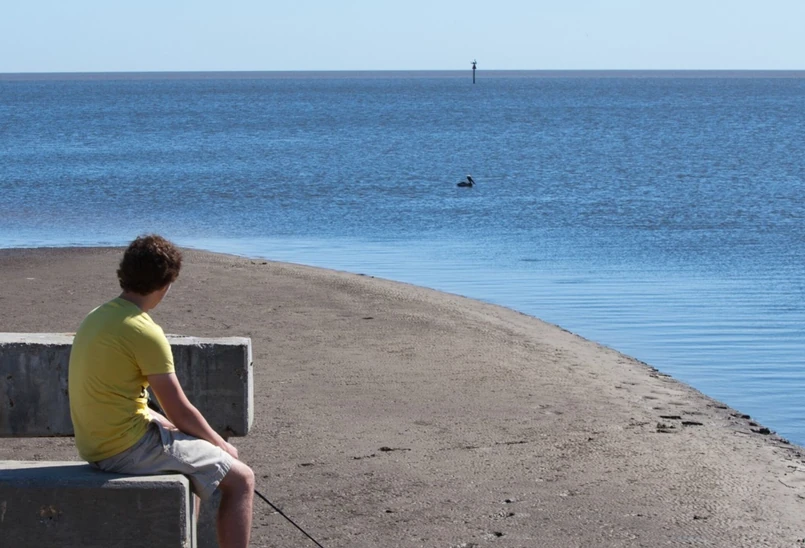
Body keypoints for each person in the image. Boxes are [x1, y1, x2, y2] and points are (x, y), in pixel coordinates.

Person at [68, 234, 254, 548]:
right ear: (166, 283)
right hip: (123, 450)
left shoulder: (98, 316)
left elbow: (117, 395)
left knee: (191, 455)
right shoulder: (145, 331)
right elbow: (179, 410)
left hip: (94, 443)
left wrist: (163, 423)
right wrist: (221, 445)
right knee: (242, 480)